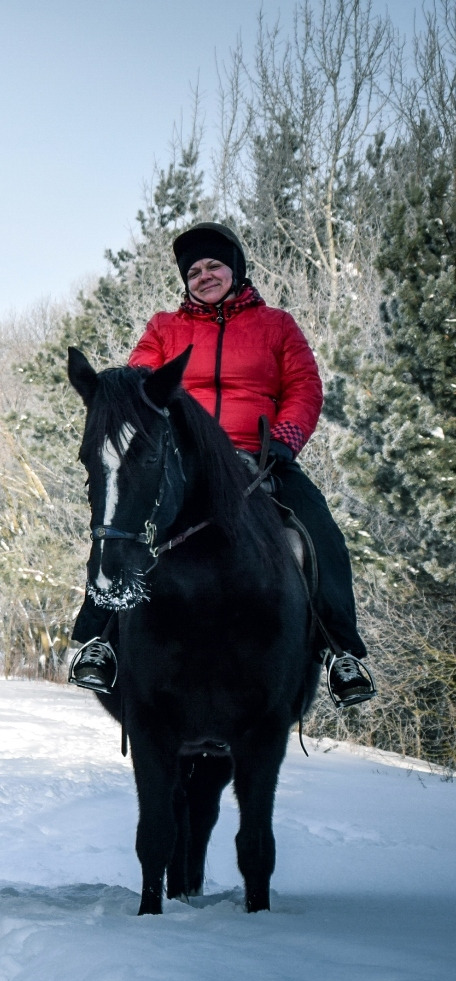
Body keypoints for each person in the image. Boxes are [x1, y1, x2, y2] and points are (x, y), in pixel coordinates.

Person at [68, 222, 377, 707]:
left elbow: (304, 388)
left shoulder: (276, 325)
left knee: (319, 532)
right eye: (194, 271)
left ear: (236, 269)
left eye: (214, 265)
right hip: (182, 457)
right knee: (120, 521)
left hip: (258, 457)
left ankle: (341, 651)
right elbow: (141, 384)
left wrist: (284, 440)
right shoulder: (164, 328)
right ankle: (100, 639)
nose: (205, 276)